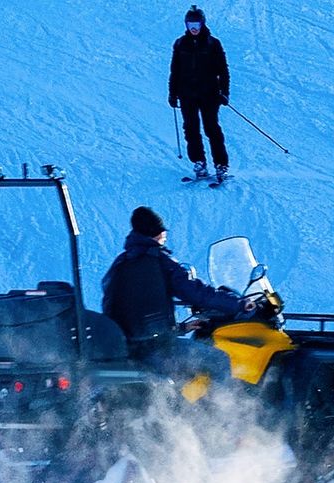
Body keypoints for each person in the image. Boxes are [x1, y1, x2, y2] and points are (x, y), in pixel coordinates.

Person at [102, 206, 249, 380]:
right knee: (219, 360)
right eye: (162, 232)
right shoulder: (159, 261)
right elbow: (196, 293)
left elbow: (123, 309)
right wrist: (239, 304)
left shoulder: (120, 264)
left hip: (128, 349)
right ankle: (217, 408)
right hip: (156, 350)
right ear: (155, 233)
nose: (165, 236)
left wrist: (180, 328)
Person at [168, 5, 231, 183]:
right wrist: (172, 93)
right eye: (190, 24)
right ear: (186, 25)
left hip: (209, 94)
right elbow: (175, 71)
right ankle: (199, 162)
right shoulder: (180, 44)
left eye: (196, 24)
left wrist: (224, 92)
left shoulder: (213, 43)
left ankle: (221, 164)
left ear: (203, 24)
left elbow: (223, 71)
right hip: (187, 94)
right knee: (191, 129)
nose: (194, 28)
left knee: (212, 128)